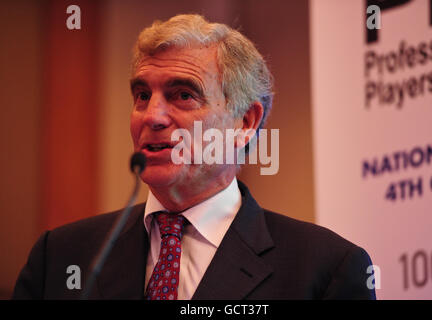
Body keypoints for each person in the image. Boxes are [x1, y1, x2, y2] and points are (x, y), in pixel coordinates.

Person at [13, 14, 376, 300]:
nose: (151, 116)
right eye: (142, 95)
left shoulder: (324, 269)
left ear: (245, 122)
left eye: (183, 95)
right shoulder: (60, 258)